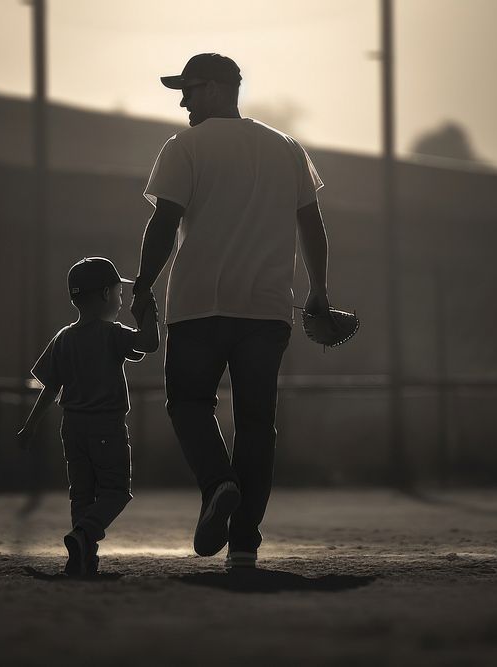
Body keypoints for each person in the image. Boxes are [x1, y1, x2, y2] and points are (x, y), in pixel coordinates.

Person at [131, 53, 340, 569]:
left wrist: (143, 285)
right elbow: (311, 224)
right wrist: (319, 293)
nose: (183, 100)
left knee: (187, 404)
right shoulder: (286, 148)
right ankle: (244, 545)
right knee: (255, 424)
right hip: (267, 311)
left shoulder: (184, 147)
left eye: (191, 88)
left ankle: (218, 483)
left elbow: (164, 223)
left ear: (222, 89)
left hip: (199, 304)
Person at [17, 257, 160, 576]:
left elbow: (51, 387)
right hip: (106, 425)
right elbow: (149, 343)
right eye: (118, 294)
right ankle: (85, 534)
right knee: (116, 492)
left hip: (72, 429)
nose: (121, 301)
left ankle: (81, 560)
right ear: (105, 295)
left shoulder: (64, 338)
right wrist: (148, 309)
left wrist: (30, 426)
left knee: (81, 494)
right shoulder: (112, 334)